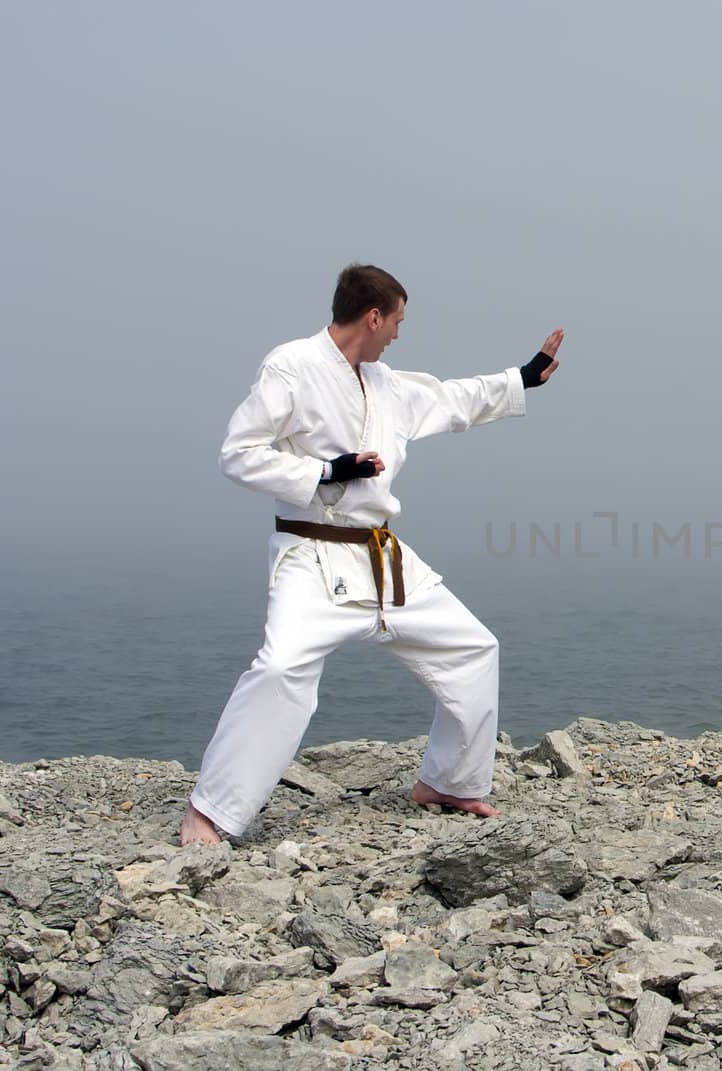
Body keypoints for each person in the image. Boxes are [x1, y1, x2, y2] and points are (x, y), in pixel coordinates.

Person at [180, 264, 563, 846]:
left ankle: (449, 781)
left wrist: (525, 376)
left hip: (383, 557)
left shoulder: (384, 383)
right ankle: (212, 811)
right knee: (282, 669)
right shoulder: (292, 367)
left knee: (473, 649)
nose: (399, 335)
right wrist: (325, 471)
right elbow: (239, 453)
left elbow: (450, 398)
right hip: (313, 555)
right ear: (373, 316)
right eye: (398, 322)